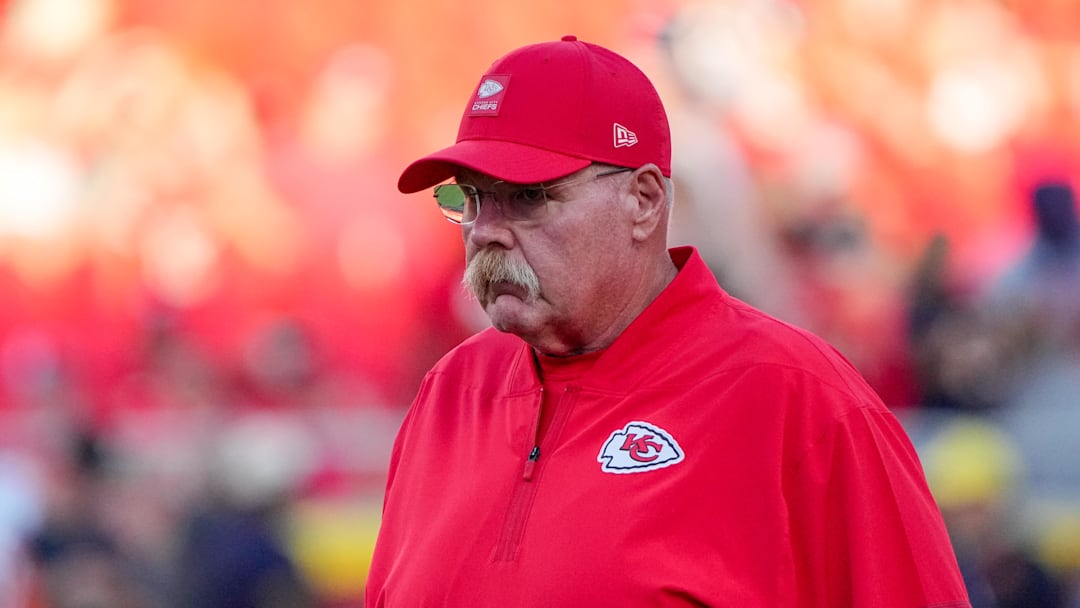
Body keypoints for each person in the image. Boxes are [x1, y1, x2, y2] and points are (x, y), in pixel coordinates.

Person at [365, 36, 971, 607]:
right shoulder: (449, 394)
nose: (486, 231)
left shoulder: (798, 398)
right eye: (470, 198)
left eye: (529, 196)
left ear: (644, 200)